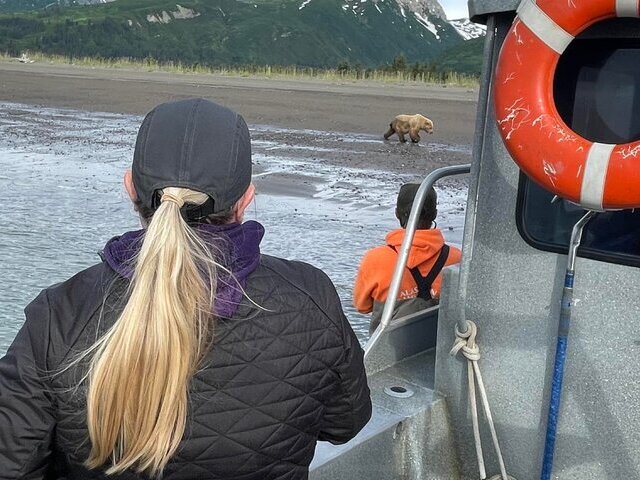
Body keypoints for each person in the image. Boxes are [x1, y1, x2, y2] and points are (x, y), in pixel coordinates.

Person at [0, 98, 371, 479]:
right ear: (246, 199)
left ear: (131, 188)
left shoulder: (59, 315)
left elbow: (13, 463)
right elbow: (346, 423)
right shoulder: (312, 297)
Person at [353, 183, 462, 333]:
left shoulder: (375, 259)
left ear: (397, 213)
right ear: (434, 214)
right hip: (439, 348)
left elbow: (362, 306)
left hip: (387, 352)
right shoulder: (457, 258)